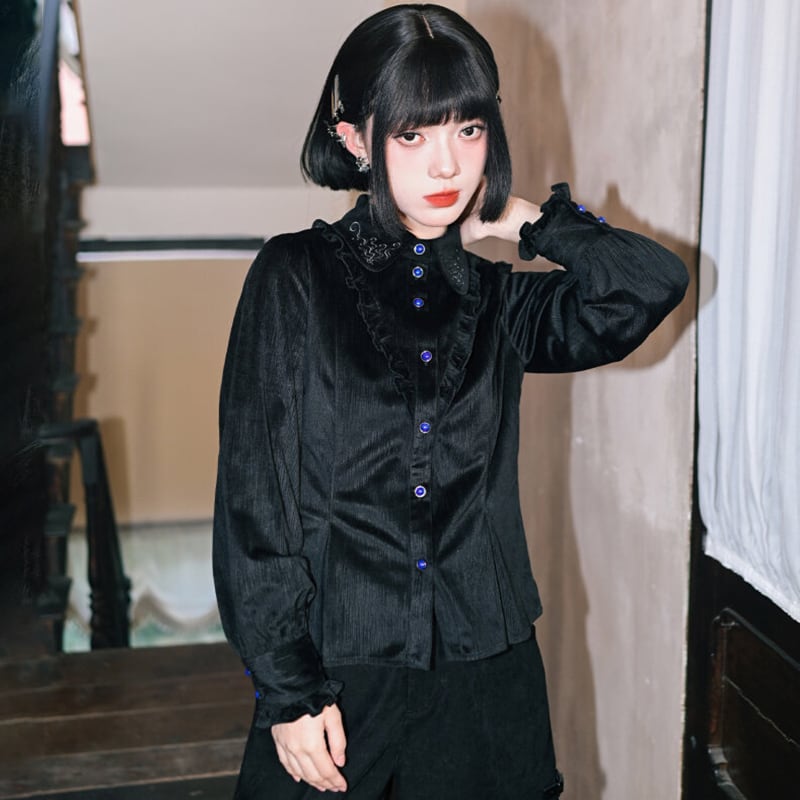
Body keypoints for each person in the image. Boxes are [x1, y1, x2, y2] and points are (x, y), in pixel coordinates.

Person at [212, 5, 689, 799]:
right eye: (412, 135)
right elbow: (254, 503)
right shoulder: (295, 278)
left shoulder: (499, 301)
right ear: (355, 139)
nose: (447, 166)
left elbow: (649, 284)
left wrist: (531, 222)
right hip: (339, 680)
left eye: (468, 130)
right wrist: (287, 691)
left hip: (487, 676)